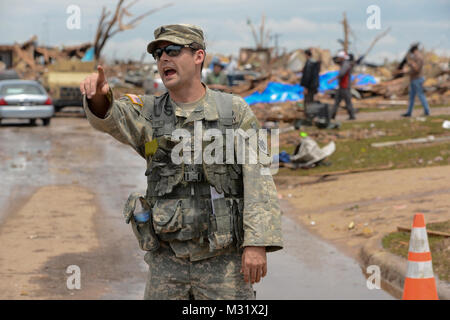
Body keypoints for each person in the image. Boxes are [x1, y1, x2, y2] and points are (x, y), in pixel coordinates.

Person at [79, 24, 283, 300]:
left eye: (173, 50)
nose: (164, 58)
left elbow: (259, 178)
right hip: (167, 262)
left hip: (223, 263)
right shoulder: (149, 112)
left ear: (198, 56)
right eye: (159, 53)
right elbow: (113, 116)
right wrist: (99, 97)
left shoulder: (234, 111)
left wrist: (257, 243)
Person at [401, 44, 430, 117]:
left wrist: (411, 64)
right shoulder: (415, 58)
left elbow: (417, 69)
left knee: (421, 95)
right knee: (411, 97)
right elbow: (413, 69)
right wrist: (408, 71)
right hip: (413, 79)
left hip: (417, 79)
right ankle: (409, 112)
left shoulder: (419, 58)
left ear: (414, 50)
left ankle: (427, 111)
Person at [330, 51, 356, 120]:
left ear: (342, 57)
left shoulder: (346, 64)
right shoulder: (343, 64)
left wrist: (332, 79)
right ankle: (332, 115)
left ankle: (352, 115)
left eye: (339, 57)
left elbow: (341, 73)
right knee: (337, 101)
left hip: (345, 86)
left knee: (348, 101)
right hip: (341, 86)